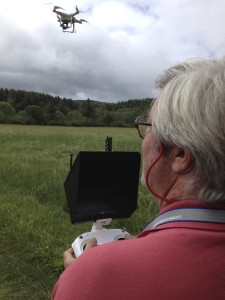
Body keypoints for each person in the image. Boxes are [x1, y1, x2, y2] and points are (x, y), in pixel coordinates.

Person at [52, 57, 225, 300]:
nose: (144, 140)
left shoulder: (92, 277)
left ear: (181, 155)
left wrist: (85, 277)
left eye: (148, 127)